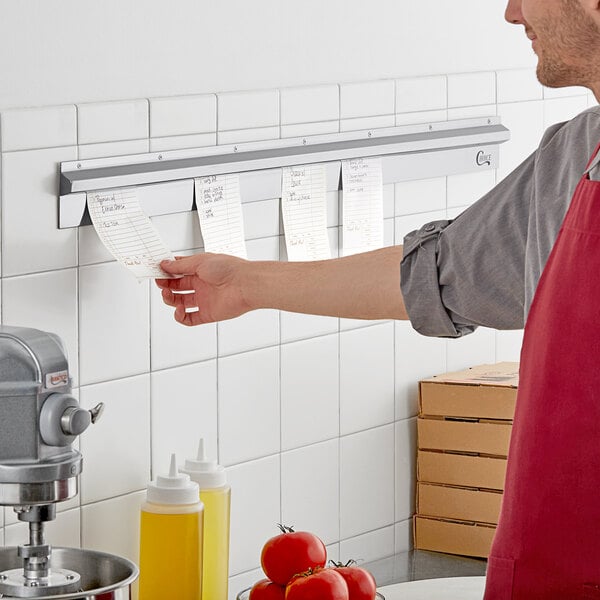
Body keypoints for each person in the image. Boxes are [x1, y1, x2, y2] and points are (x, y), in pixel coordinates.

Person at [157, 1, 600, 597]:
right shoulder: (576, 156)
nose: (511, 11)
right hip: (556, 563)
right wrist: (246, 282)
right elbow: (444, 274)